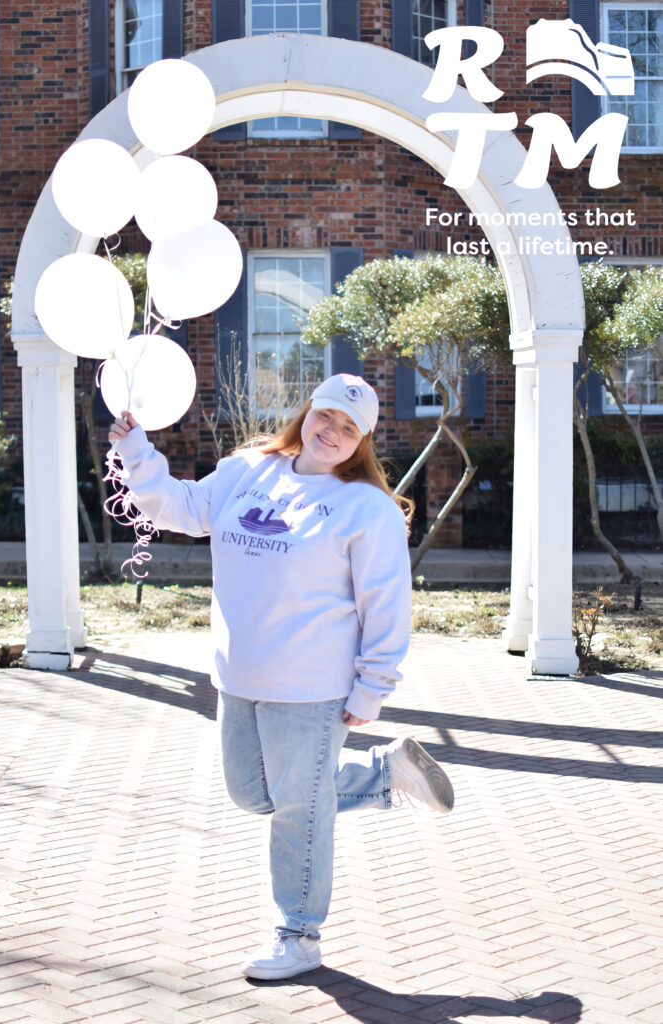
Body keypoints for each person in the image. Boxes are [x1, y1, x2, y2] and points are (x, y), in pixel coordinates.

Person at [108, 372, 454, 981]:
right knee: (253, 794)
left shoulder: (365, 508)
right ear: (308, 413)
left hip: (313, 689)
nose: (333, 433)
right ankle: (381, 773)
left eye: (350, 428)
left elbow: (386, 601)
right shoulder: (248, 470)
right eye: (327, 417)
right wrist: (138, 453)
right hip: (238, 676)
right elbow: (183, 509)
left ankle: (298, 933)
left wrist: (373, 687)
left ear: (363, 441)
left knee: (299, 808)